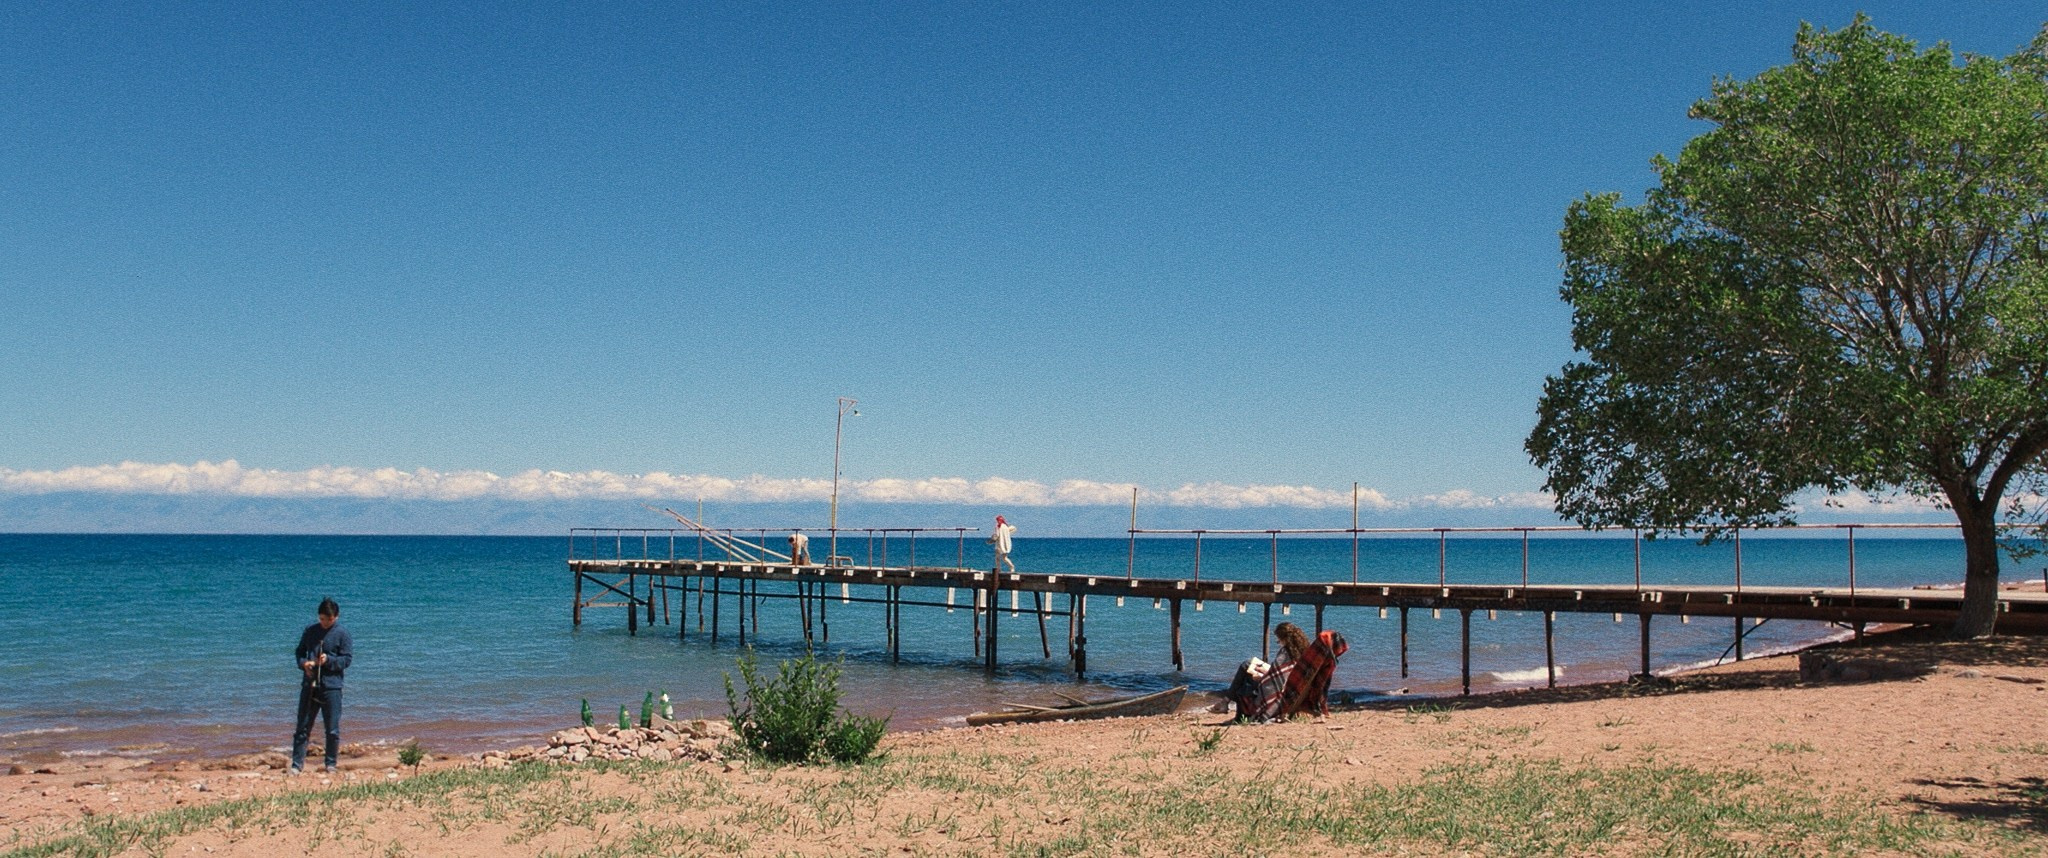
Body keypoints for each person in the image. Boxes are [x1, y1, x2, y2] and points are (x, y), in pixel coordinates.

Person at [290, 597, 353, 774]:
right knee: (302, 726)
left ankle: (330, 764)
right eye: (322, 619)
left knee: (332, 728)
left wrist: (329, 660)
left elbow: (346, 659)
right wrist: (304, 664)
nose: (325, 623)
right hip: (309, 685)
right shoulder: (310, 631)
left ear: (336, 617)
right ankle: (296, 765)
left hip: (332, 686)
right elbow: (299, 652)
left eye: (329, 619)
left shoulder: (342, 634)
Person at [1278, 624, 1348, 721]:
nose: (1278, 642)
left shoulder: (1305, 663)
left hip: (1291, 695)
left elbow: (1289, 678)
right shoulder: (1323, 661)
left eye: (1278, 640)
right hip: (1304, 693)